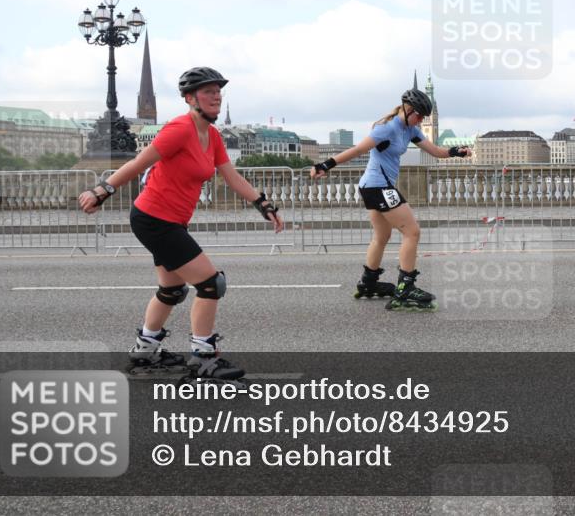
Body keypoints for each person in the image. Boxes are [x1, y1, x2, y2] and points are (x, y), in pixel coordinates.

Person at [78, 67, 283, 380]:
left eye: (218, 91)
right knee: (211, 284)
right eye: (207, 91)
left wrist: (262, 203)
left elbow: (232, 177)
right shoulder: (179, 129)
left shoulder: (212, 135)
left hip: (170, 221)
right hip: (153, 219)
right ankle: (203, 358)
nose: (215, 96)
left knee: (172, 289)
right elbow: (138, 162)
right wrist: (102, 190)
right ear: (190, 98)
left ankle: (144, 352)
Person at [310, 86, 471, 311]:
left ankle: (368, 283)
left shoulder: (411, 129)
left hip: (373, 187)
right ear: (407, 109)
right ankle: (405, 289)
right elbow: (358, 150)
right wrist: (325, 165)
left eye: (425, 116)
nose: (422, 120)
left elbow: (434, 151)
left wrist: (456, 152)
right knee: (412, 232)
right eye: (419, 115)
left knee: (381, 236)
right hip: (378, 186)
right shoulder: (387, 129)